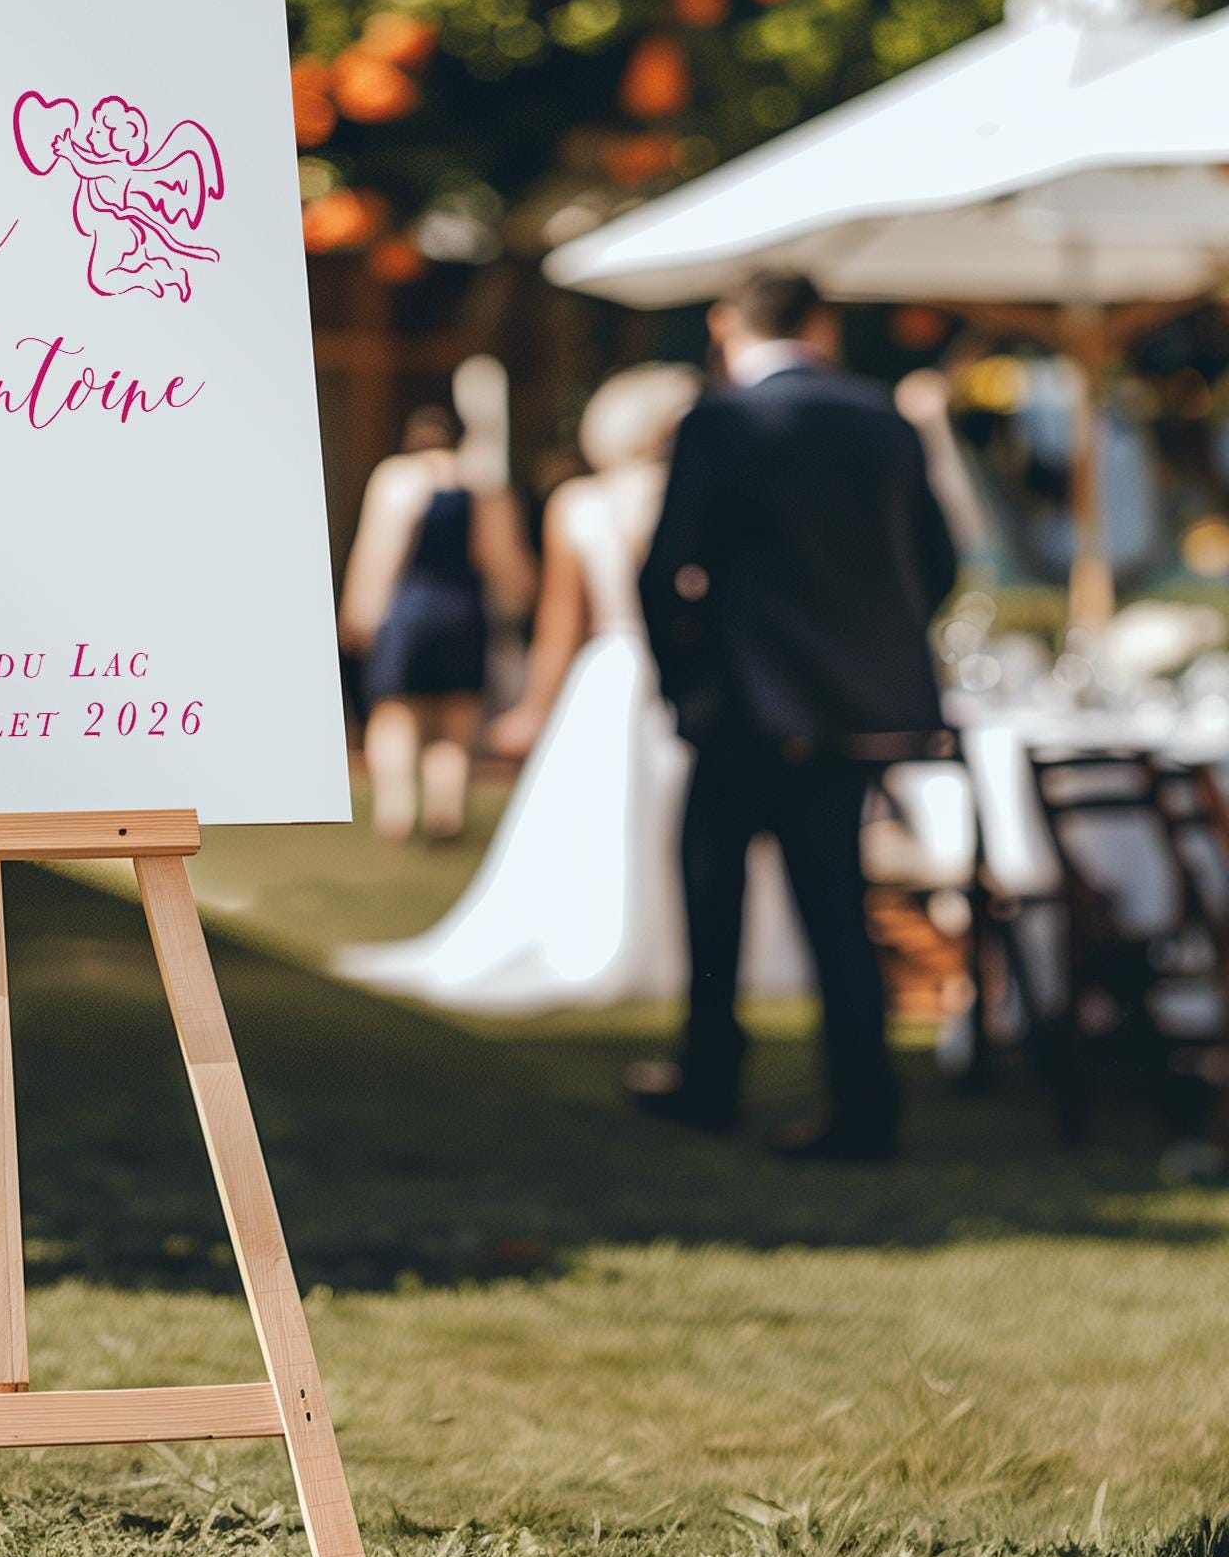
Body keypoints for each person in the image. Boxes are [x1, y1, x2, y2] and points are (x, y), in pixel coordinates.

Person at [333, 365, 810, 1007]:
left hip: (614, 673)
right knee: (701, 821)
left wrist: (535, 704)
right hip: (702, 679)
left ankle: (409, 814)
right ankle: (704, 954)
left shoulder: (582, 504)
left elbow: (562, 624)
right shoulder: (720, 496)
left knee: (597, 816)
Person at [630, 272, 959, 1161]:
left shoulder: (722, 419)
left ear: (723, 325)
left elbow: (667, 570)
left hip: (744, 705)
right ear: (822, 324)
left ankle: (709, 1081)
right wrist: (870, 655)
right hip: (849, 714)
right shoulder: (885, 419)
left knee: (712, 894)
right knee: (837, 907)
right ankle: (865, 1105)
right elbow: (936, 559)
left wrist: (686, 686)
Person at [338, 404, 534, 841]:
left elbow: (379, 550)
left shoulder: (398, 476)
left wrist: (358, 612)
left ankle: (398, 810)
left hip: (408, 610)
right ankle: (446, 810)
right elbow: (503, 561)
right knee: (457, 716)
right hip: (463, 609)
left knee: (396, 713)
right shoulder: (482, 483)